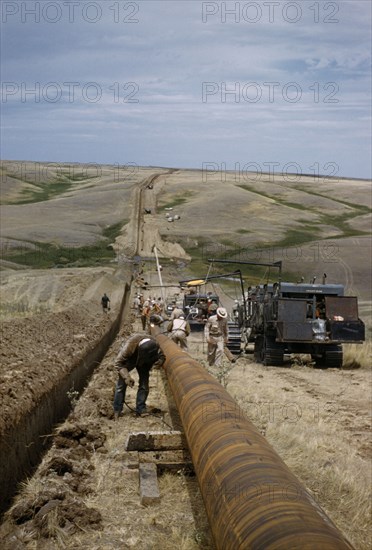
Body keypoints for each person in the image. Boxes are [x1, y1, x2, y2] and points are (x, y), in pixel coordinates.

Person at [113, 333, 165, 419]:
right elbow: (118, 363)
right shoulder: (129, 347)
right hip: (130, 360)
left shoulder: (155, 345)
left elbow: (162, 356)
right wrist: (127, 377)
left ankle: (140, 409)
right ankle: (117, 410)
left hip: (145, 363)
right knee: (121, 385)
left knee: (144, 385)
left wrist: (160, 361)